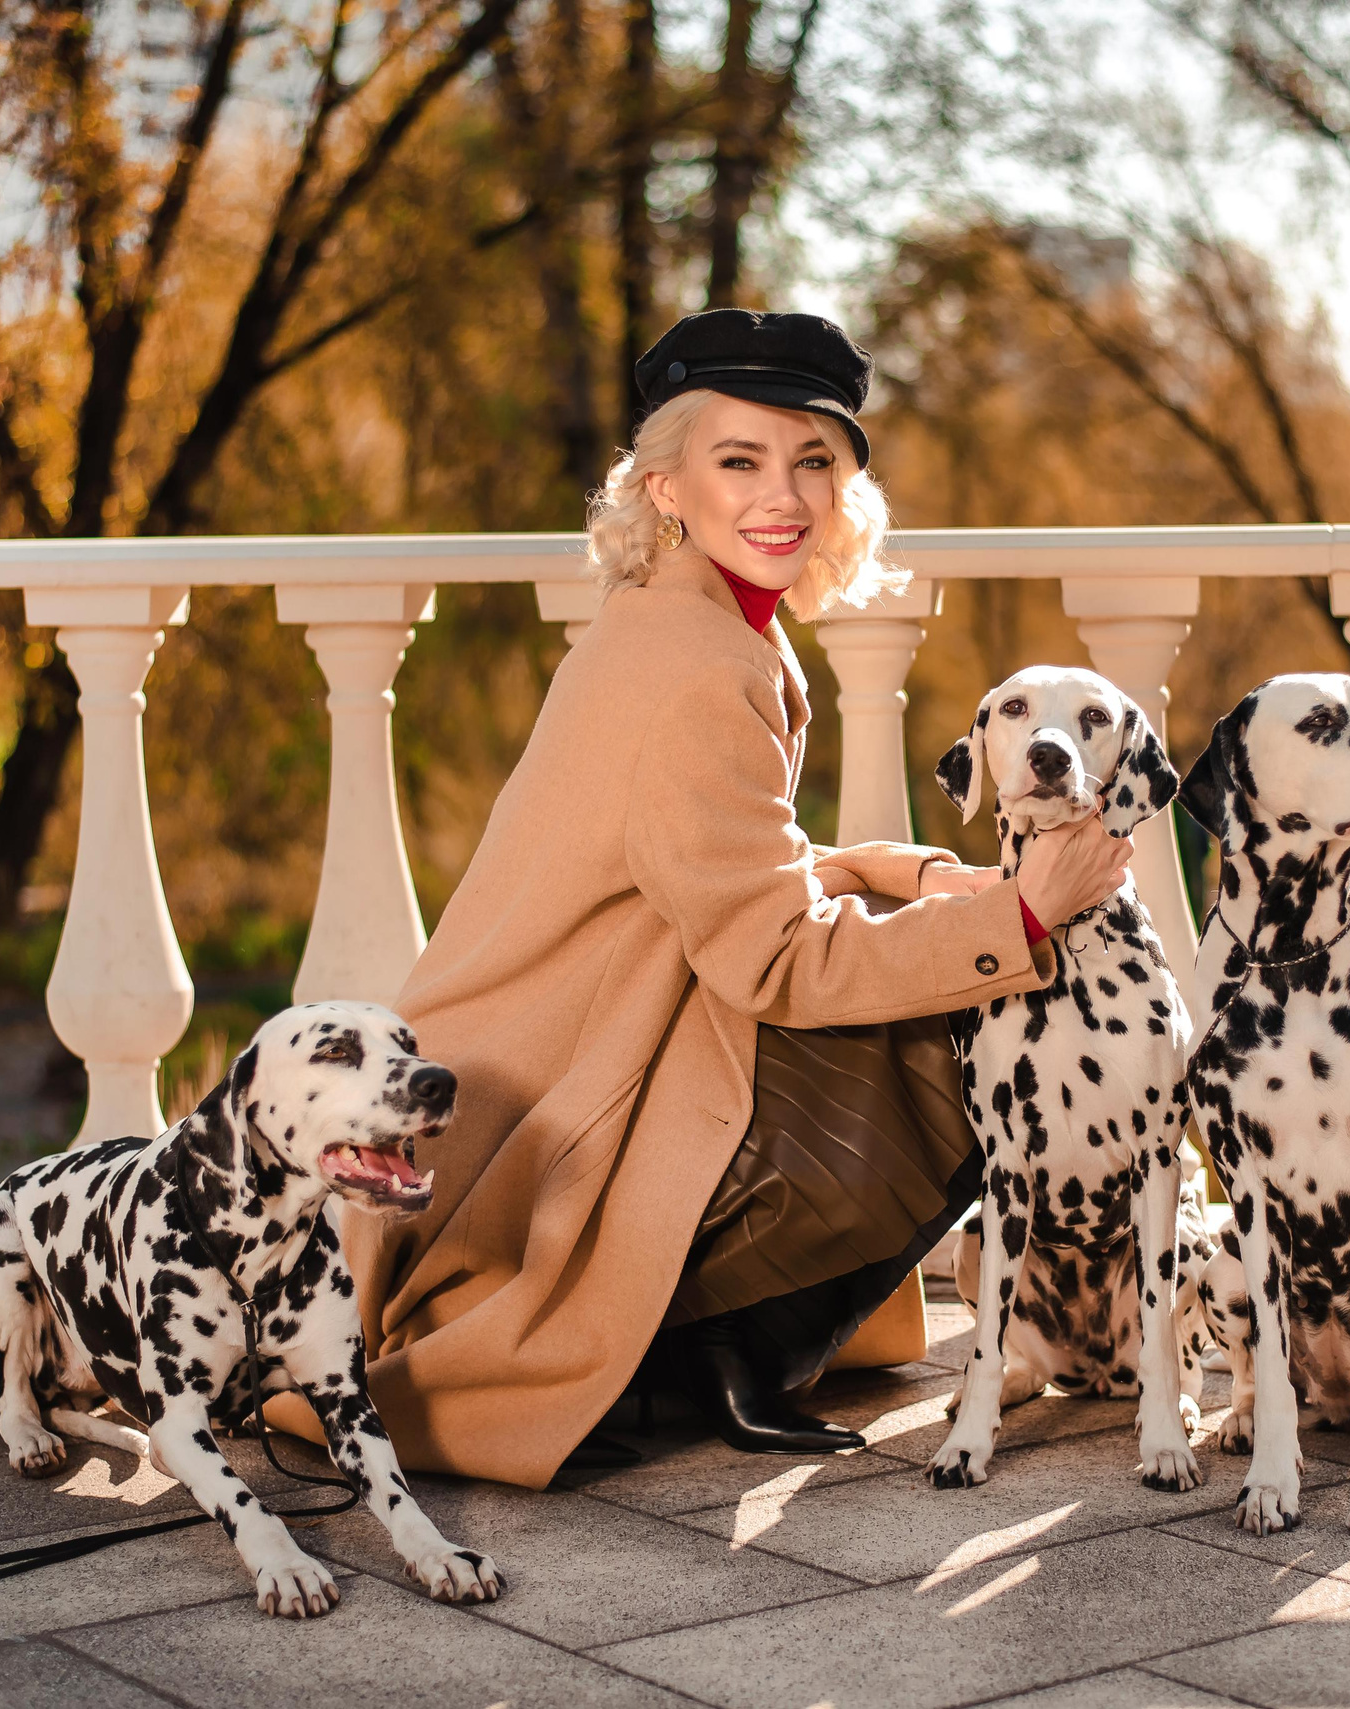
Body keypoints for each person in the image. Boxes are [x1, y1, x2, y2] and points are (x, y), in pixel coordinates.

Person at [330, 309, 1132, 1487]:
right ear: (664, 488)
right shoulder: (702, 665)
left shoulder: (689, 623)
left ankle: (723, 1341)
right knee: (984, 1007)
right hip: (541, 1119)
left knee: (948, 963)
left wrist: (910, 876)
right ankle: (700, 1348)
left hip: (574, 1055)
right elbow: (776, 962)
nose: (786, 496)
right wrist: (1013, 916)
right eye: (739, 460)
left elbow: (725, 867)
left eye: (814, 460)